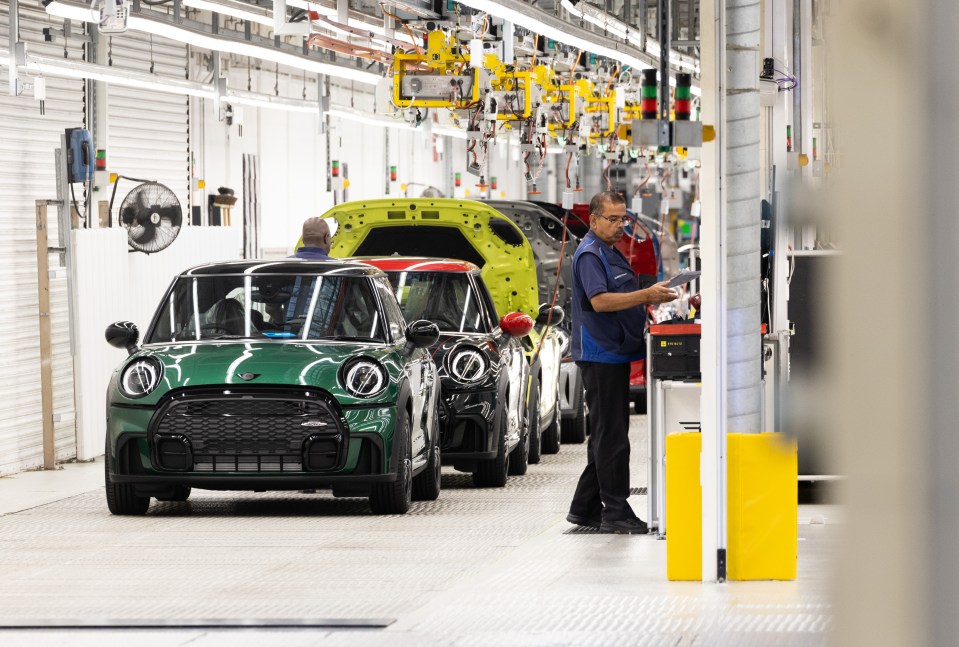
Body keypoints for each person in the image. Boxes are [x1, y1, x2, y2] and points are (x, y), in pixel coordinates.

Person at [567, 191, 678, 534]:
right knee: (613, 437)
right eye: (612, 219)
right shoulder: (590, 255)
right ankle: (615, 511)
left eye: (623, 219)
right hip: (599, 355)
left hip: (612, 352)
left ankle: (584, 507)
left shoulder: (608, 251)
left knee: (606, 434)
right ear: (594, 219)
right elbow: (600, 302)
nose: (619, 226)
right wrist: (647, 295)